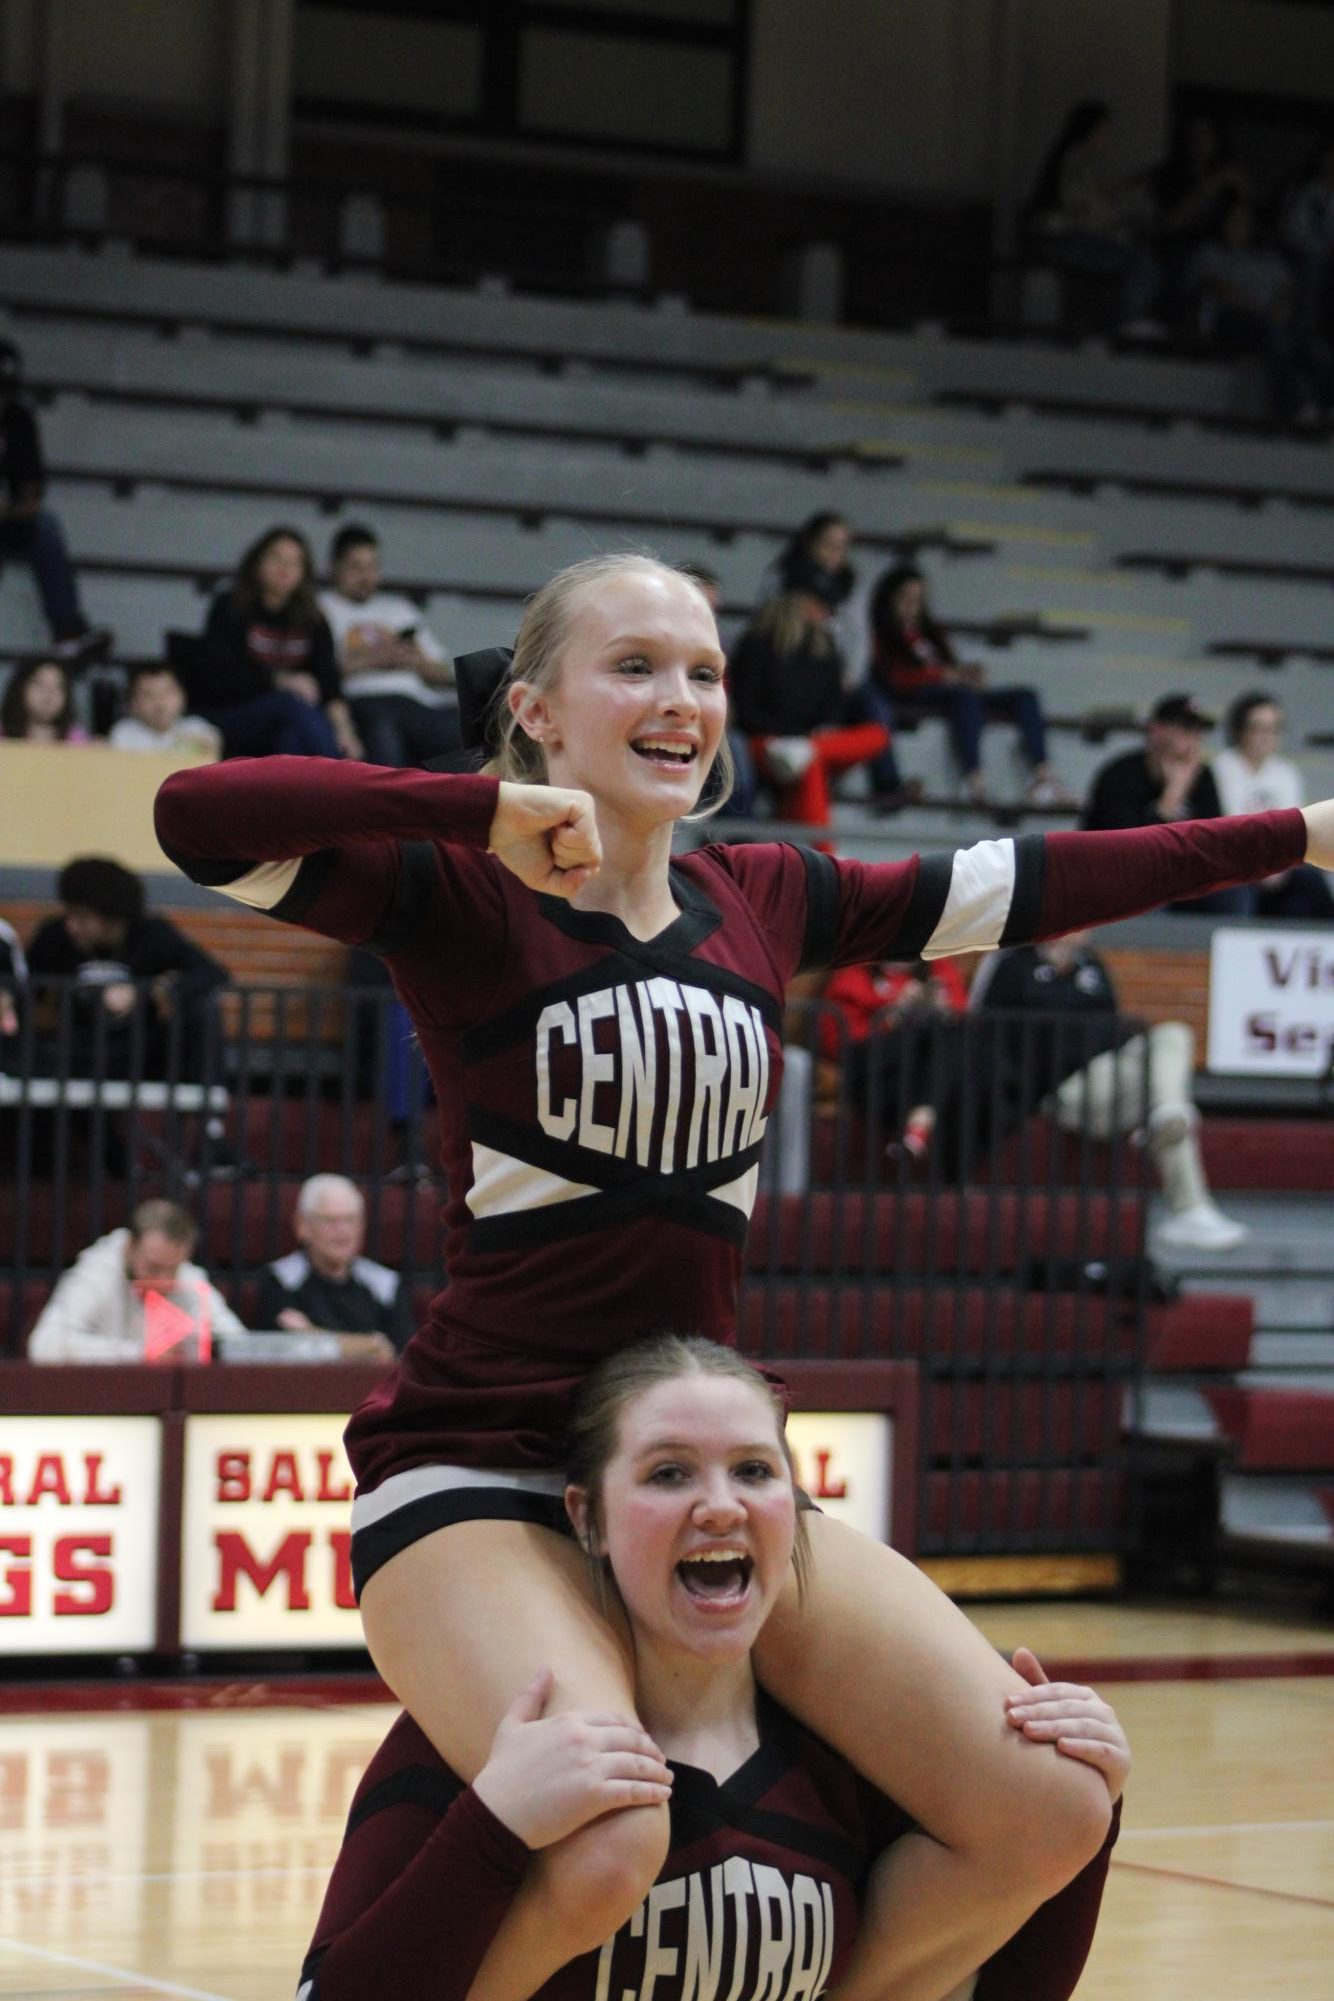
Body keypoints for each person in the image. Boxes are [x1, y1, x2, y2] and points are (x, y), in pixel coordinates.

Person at [155, 549, 1328, 2001]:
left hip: (692, 1459)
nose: (679, 698)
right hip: (479, 1464)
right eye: (633, 665)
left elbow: (1030, 883)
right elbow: (192, 819)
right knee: (600, 1838)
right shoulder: (454, 891)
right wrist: (482, 811)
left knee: (1046, 1800)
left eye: (702, 671)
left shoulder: (760, 891)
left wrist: (1292, 833)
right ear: (535, 708)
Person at [299, 1335, 1128, 2001]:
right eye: (669, 1473)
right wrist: (492, 1824)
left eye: (755, 1471)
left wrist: (1089, 1810)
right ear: (588, 1518)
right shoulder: (499, 1740)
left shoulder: (855, 1760)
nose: (721, 1503)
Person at [972, 931, 1248, 1253]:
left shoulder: (1092, 965)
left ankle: (1188, 1202)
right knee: (1161, 1098)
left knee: (1173, 1037)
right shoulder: (1010, 964)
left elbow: (1113, 1025)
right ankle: (1187, 1199)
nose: (1082, 929)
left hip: (1106, 1076)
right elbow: (986, 1032)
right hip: (1059, 1090)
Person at [867, 566, 1073, 809]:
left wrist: (965, 673)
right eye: (906, 598)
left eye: (918, 599)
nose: (912, 605)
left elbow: (948, 665)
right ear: (889, 599)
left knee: (1025, 696)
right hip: (915, 694)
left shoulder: (931, 631)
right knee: (963, 697)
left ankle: (1042, 777)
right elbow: (895, 678)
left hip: (950, 690)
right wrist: (940, 675)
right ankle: (973, 779)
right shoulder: (880, 632)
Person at [24, 855, 229, 1078]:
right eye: (69, 915)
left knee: (203, 1010)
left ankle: (206, 1106)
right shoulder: (55, 936)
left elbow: (211, 972)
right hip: (73, 1051)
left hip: (141, 1051)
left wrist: (158, 990)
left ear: (112, 918)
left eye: (83, 918)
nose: (71, 927)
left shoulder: (152, 933)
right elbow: (23, 986)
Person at [729, 591, 905, 827]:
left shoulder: (825, 651)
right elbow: (747, 710)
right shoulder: (757, 645)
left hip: (810, 742)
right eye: (817, 604)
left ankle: (806, 750)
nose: (823, 613)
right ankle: (825, 852)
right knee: (810, 763)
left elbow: (833, 707)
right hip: (764, 742)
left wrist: (808, 739)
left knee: (877, 735)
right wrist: (791, 736)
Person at [189, 526, 360, 759]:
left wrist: (345, 733)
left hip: (289, 718)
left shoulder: (314, 617)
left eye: (294, 563)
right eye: (276, 558)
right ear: (257, 562)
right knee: (289, 705)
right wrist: (279, 681)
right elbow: (220, 675)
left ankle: (296, 795)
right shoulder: (230, 606)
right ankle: (343, 780)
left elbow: (329, 682)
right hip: (230, 713)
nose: (285, 569)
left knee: (289, 737)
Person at [0, 339, 111, 667]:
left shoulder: (19, 420)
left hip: (7, 517)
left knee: (45, 527)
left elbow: (32, 487)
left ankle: (67, 632)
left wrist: (15, 507)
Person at [27, 1197, 245, 1362]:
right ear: (129, 1247)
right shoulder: (98, 1272)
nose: (164, 1279)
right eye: (153, 1268)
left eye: (173, 1269)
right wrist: (141, 1352)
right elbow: (46, 1346)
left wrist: (203, 1345)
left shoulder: (188, 1276)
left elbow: (238, 1344)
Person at [318, 522, 461, 767]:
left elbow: (442, 673)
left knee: (468, 725)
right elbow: (320, 670)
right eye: (356, 567)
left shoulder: (399, 610)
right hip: (363, 701)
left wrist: (416, 661)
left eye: (373, 566)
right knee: (384, 727)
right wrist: (375, 658)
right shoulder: (321, 607)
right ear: (335, 567)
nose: (366, 576)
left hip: (415, 702)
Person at [1185, 195, 1334, 426]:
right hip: (1233, 320)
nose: (1238, 227)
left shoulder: (1269, 258)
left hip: (1273, 318)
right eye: (1233, 220)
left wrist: (1279, 309)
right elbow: (1218, 288)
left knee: (1313, 346)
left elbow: (1287, 289)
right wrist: (1261, 311)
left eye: (1244, 221)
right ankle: (1294, 408)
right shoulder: (1210, 253)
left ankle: (1328, 404)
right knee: (1273, 335)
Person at [1024, 100, 1162, 337]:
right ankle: (1130, 322)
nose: (1107, 137)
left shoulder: (1081, 161)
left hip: (1082, 241)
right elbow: (1086, 208)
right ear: (1090, 130)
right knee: (1144, 266)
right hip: (1076, 243)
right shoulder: (1077, 160)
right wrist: (1121, 221)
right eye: (1104, 130)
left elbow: (1097, 201)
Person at [256, 1172, 415, 1356]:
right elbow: (283, 1350)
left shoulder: (385, 1283)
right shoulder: (281, 1280)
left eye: (350, 1220)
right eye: (330, 1220)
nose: (342, 1231)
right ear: (303, 1226)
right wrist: (370, 1345)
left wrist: (312, 1334)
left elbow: (400, 1355)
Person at [1212, 692, 1333, 920]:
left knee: (1311, 882)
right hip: (1235, 860)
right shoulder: (1220, 769)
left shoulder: (1286, 773)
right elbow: (1228, 827)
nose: (1266, 737)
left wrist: (1277, 867)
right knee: (1233, 890)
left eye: (1274, 729)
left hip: (1278, 863)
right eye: (1259, 728)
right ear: (1240, 730)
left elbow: (1294, 827)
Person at [108, 664, 221, 757]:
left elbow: (214, 748)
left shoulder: (197, 727)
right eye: (148, 695)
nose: (159, 702)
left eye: (167, 693)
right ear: (133, 702)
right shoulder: (124, 733)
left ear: (182, 696)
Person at [0, 656, 90, 742]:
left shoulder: (77, 740)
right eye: (40, 685)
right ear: (20, 688)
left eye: (58, 687)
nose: (48, 694)